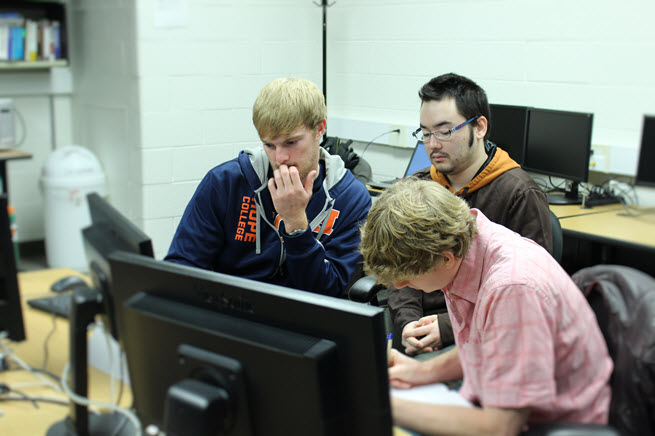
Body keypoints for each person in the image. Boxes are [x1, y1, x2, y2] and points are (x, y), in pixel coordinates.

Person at [360, 179, 612, 435]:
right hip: (494, 403)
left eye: (407, 276)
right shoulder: (467, 244)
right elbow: (487, 345)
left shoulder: (511, 289)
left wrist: (382, 405)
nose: (401, 285)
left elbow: (501, 427)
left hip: (551, 425)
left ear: (445, 259)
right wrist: (421, 371)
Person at [389, 73, 553, 355]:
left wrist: (447, 326)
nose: (433, 144)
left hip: (484, 335)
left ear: (479, 127)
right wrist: (407, 322)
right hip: (415, 327)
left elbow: (531, 293)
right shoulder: (417, 187)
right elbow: (399, 269)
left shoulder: (519, 194)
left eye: (445, 131)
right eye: (425, 133)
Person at [165, 78, 371, 297]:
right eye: (269, 145)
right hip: (234, 313)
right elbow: (182, 267)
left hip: (304, 321)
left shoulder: (351, 198)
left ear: (320, 129)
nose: (280, 158)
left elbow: (329, 292)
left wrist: (296, 225)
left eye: (291, 143)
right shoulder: (225, 183)